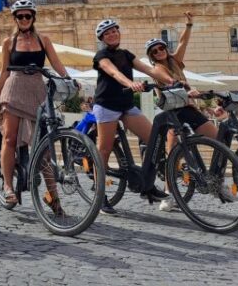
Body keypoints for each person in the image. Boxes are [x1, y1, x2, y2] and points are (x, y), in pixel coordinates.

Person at [0, 0, 71, 209]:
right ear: (15, 19)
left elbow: (56, 63)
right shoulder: (8, 42)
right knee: (10, 138)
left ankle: (53, 198)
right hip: (14, 88)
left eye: (28, 16)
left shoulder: (44, 40)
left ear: (33, 18)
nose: (24, 19)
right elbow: (4, 70)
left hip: (37, 90)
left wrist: (69, 78)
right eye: (20, 16)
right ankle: (8, 187)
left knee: (44, 147)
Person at [92, 18, 173, 215]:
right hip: (107, 105)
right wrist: (129, 83)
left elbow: (149, 69)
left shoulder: (126, 55)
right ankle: (100, 196)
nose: (112, 34)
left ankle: (147, 184)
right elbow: (112, 72)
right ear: (102, 38)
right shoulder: (101, 55)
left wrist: (173, 81)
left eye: (114, 31)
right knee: (104, 150)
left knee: (154, 140)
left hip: (126, 105)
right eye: (107, 33)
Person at [144, 12, 221, 211]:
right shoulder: (157, 69)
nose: (159, 51)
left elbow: (182, 43)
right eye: (154, 51)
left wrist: (188, 24)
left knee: (219, 140)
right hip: (173, 115)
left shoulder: (175, 61)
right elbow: (172, 82)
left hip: (190, 109)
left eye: (161, 48)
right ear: (151, 57)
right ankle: (169, 195)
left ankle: (217, 182)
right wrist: (187, 88)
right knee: (173, 156)